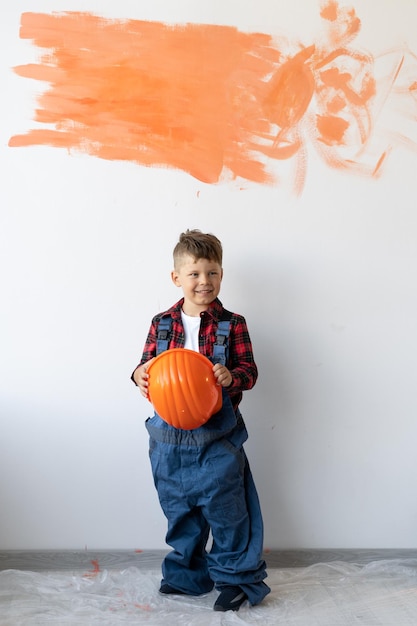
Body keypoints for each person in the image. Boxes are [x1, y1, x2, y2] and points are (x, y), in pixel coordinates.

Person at [131, 229, 270, 612]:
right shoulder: (161, 323)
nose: (203, 282)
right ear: (176, 278)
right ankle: (187, 577)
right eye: (194, 274)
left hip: (217, 436)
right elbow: (143, 368)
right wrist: (138, 374)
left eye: (212, 273)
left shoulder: (233, 324)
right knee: (180, 511)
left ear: (221, 276)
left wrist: (233, 377)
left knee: (227, 511)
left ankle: (235, 579)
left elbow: (250, 372)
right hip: (168, 438)